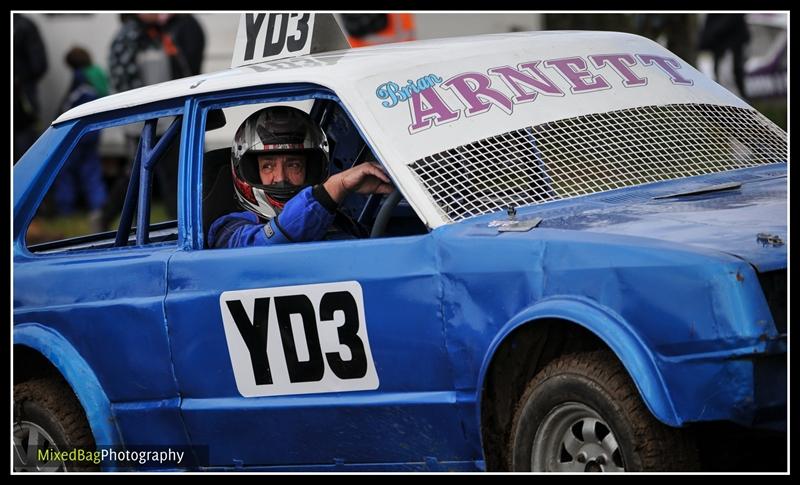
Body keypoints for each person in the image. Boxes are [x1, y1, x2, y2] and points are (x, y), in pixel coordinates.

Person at [208, 106, 394, 248]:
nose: (280, 177)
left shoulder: (340, 222)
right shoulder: (228, 229)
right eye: (268, 166)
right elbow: (263, 246)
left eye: (293, 165)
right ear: (250, 171)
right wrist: (334, 189)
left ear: (312, 169)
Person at [102, 13, 206, 229]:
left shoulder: (157, 35)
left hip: (165, 120)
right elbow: (125, 86)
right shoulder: (127, 38)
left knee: (170, 177)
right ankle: (108, 217)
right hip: (143, 124)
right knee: (136, 177)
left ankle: (177, 225)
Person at [52, 47, 108, 229]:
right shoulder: (97, 74)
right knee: (91, 170)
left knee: (66, 170)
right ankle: (99, 205)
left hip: (79, 132)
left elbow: (71, 104)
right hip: (95, 130)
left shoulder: (81, 79)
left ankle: (65, 207)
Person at [13, 14, 48, 163]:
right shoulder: (24, 26)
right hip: (22, 101)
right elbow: (38, 65)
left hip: (21, 99)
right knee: (27, 158)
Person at [699, 14, 751, 101]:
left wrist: (711, 35)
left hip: (730, 45)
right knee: (723, 79)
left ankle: (739, 109)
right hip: (719, 46)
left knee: (729, 78)